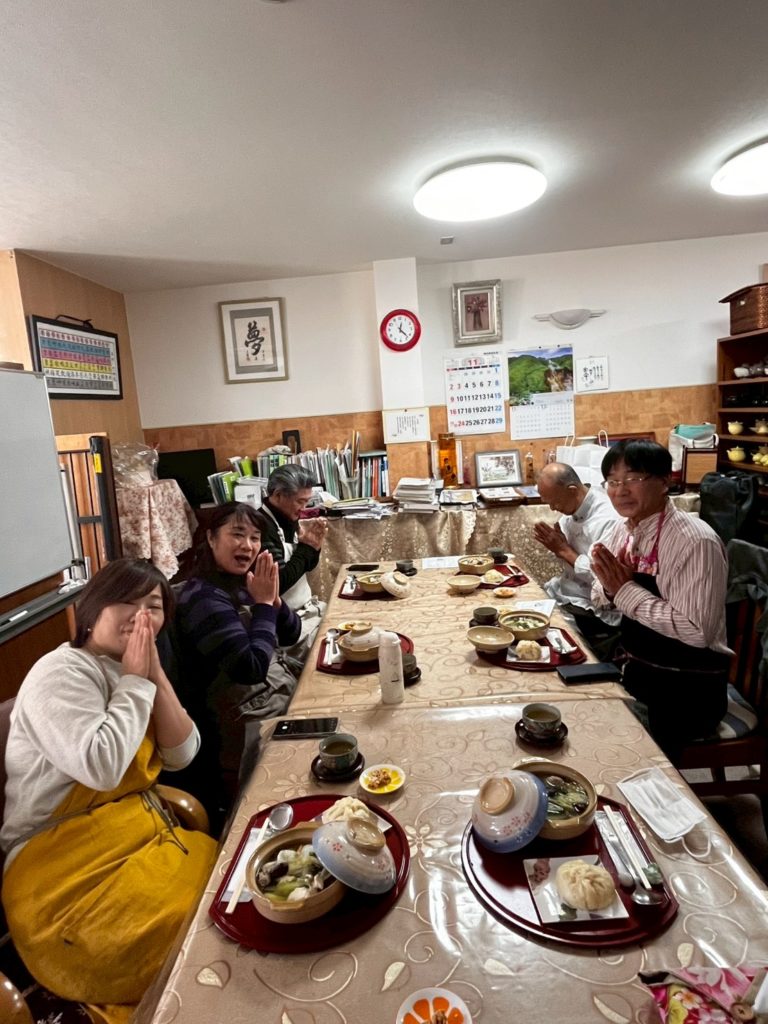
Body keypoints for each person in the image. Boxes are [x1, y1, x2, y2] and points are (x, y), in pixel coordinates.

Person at [0, 558, 217, 1024]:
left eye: (154, 605)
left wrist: (153, 674)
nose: (141, 615)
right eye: (126, 601)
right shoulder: (59, 672)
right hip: (61, 879)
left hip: (138, 843)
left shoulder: (131, 670)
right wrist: (136, 680)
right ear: (92, 609)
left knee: (230, 881)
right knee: (204, 923)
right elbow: (101, 766)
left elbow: (183, 753)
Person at [590, 439, 731, 756]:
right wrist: (611, 589)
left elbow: (697, 631)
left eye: (633, 478)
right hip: (638, 674)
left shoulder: (695, 541)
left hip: (688, 692)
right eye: (613, 481)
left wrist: (625, 591)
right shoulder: (623, 531)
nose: (621, 491)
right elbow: (598, 595)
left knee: (603, 744)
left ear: (665, 481)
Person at [173, 501, 301, 828]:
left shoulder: (243, 582)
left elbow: (292, 634)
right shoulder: (202, 597)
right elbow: (250, 668)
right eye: (237, 534)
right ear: (211, 538)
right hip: (243, 718)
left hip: (272, 691)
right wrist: (263, 606)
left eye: (255, 537)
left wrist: (273, 601)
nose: (248, 545)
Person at [533, 462, 621, 659]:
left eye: (554, 502)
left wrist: (564, 551)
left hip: (592, 604)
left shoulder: (608, 519)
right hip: (566, 590)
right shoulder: (572, 509)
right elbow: (566, 558)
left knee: (548, 641)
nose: (552, 508)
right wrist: (557, 547)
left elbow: (607, 582)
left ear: (572, 490)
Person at [257, 464, 328, 660]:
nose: (304, 509)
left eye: (307, 501)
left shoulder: (287, 517)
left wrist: (313, 548)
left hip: (306, 610)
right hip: (286, 627)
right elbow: (278, 583)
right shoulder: (260, 527)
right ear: (278, 495)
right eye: (300, 501)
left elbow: (306, 566)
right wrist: (306, 549)